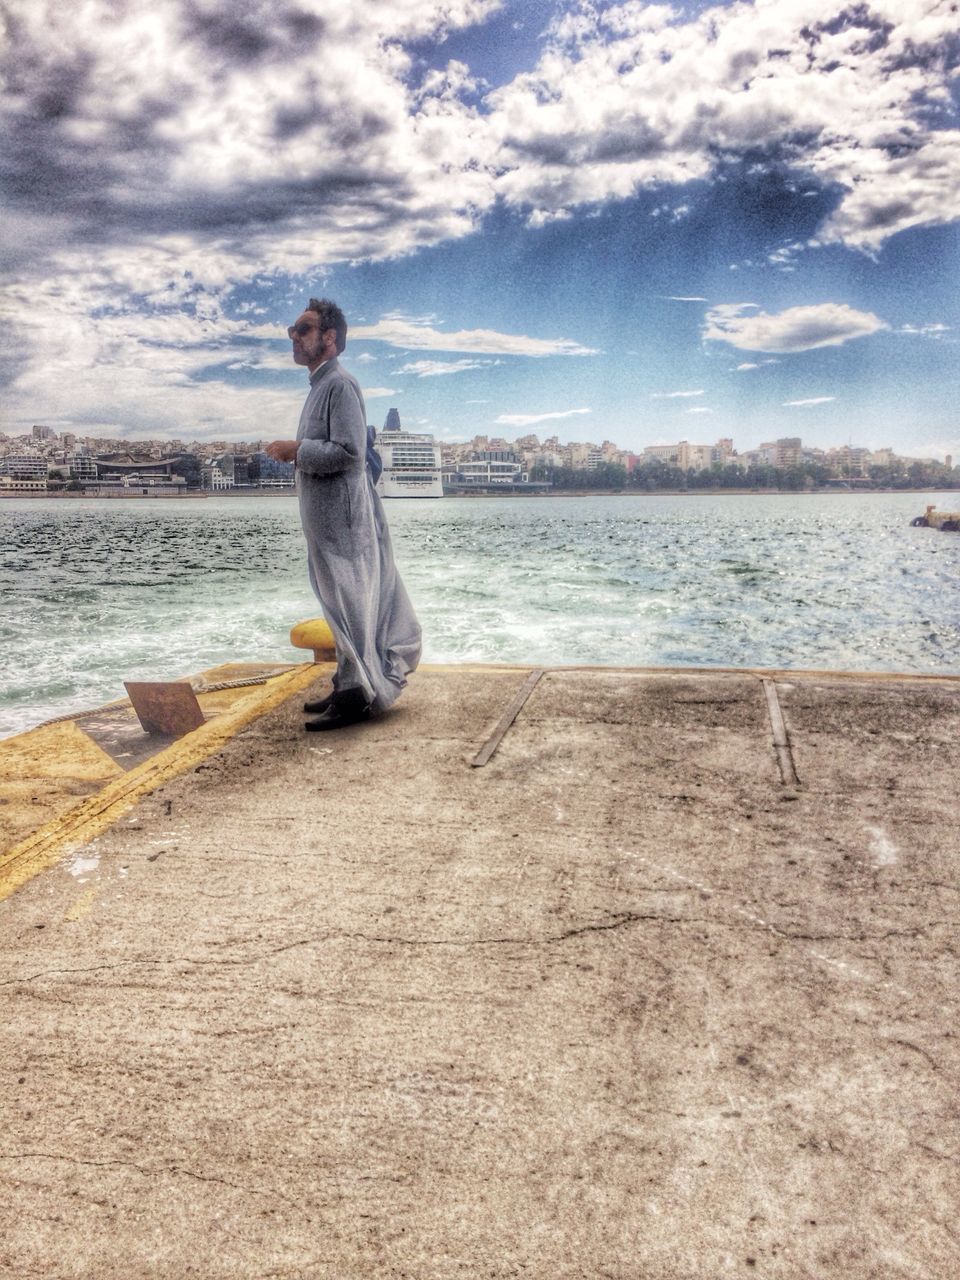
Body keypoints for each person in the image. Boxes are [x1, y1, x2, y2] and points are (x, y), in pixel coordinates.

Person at [266, 298, 421, 730]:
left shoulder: (339, 385)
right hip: (329, 522)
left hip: (344, 521)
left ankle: (355, 696)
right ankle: (347, 681)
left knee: (351, 601)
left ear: (329, 339)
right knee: (337, 600)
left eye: (303, 329)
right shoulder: (321, 386)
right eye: (292, 330)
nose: (293, 337)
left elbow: (350, 453)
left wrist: (296, 451)